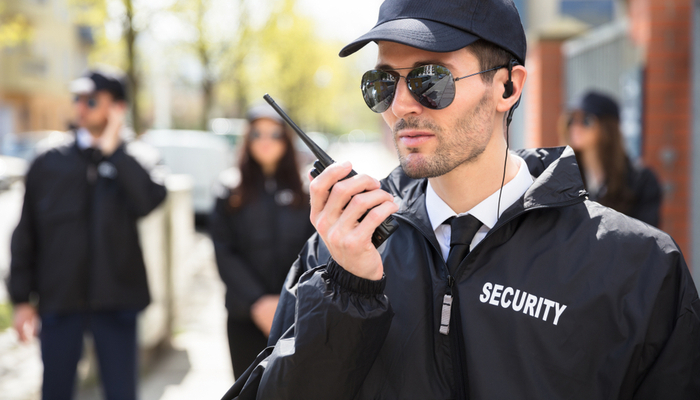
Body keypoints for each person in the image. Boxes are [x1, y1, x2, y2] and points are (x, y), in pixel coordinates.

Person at [223, 0, 700, 398]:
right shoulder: (341, 249)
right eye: (382, 83)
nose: (401, 105)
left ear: (508, 87)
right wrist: (347, 295)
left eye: (431, 79)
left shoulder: (638, 269)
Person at [7, 69, 167, 400]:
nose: (81, 107)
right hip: (60, 299)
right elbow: (26, 232)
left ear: (117, 108)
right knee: (56, 390)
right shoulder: (48, 161)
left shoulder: (138, 157)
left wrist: (115, 150)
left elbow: (150, 201)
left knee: (121, 392)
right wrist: (21, 299)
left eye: (92, 100)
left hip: (118, 299)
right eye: (77, 98)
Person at [209, 102, 315, 379]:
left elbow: (313, 252)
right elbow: (224, 252)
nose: (265, 142)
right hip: (245, 315)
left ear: (286, 139)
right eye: (257, 134)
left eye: (274, 134)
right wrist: (258, 303)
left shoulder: (307, 193)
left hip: (297, 317)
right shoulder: (229, 191)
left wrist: (285, 304)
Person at [561, 90, 662, 227]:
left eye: (586, 120)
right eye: (571, 119)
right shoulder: (563, 178)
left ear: (607, 127)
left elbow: (647, 236)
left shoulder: (640, 181)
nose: (576, 127)